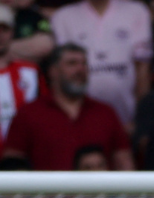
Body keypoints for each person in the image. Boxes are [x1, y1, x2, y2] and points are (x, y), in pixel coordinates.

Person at [3, 44, 134, 171]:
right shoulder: (29, 113)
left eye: (84, 64)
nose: (80, 69)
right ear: (53, 71)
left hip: (98, 193)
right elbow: (12, 164)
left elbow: (124, 163)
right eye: (72, 63)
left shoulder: (105, 113)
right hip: (46, 193)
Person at [51, 0, 152, 126]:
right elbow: (61, 71)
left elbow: (142, 68)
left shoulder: (136, 11)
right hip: (77, 122)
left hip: (127, 119)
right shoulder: (63, 16)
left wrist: (141, 119)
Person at [0, 8, 41, 147]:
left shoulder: (31, 71)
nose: (0, 35)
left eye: (4, 29)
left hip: (23, 161)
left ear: (12, 32)